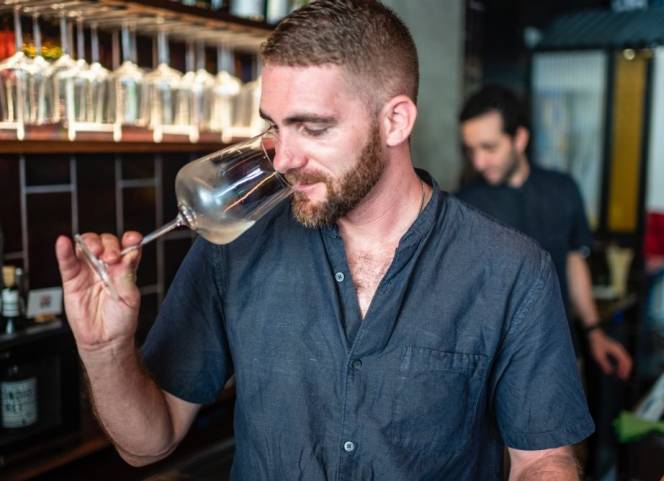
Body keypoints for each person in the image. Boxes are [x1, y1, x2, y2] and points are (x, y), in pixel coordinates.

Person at [55, 2, 593, 480]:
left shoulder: (511, 269)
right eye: (275, 126)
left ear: (395, 120)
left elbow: (542, 459)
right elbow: (148, 445)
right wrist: (104, 351)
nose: (282, 158)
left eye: (312, 128)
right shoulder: (236, 246)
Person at [455, 84, 633, 381]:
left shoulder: (562, 189)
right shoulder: (463, 205)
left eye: (489, 147)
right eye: (471, 150)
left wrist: (594, 333)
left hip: (559, 354)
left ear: (519, 138)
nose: (478, 162)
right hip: (492, 368)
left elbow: (573, 261)